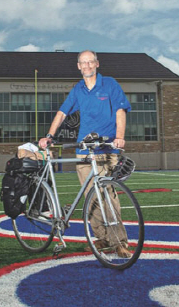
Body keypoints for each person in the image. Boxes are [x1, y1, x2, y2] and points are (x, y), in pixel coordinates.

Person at [38, 50, 132, 258]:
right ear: (79, 66)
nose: (87, 65)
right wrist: (49, 135)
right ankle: (103, 238)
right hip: (84, 152)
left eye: (91, 62)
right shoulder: (78, 89)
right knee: (92, 198)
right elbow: (62, 113)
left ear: (97, 64)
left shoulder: (109, 84)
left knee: (109, 196)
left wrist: (119, 136)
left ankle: (119, 242)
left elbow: (120, 110)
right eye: (83, 63)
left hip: (107, 150)